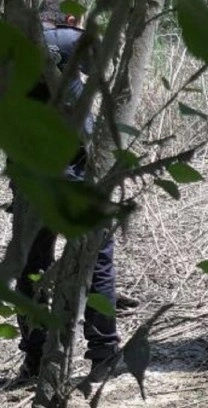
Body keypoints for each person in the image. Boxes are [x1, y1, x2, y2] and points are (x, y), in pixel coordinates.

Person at [7, 0, 121, 381]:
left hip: (30, 177)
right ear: (68, 17)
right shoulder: (72, 39)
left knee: (31, 266)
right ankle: (104, 354)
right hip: (77, 173)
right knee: (95, 261)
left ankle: (35, 358)